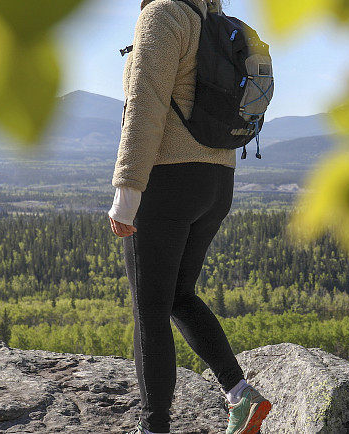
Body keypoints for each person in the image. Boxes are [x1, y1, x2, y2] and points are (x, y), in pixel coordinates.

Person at [108, 0, 272, 433]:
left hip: (168, 182)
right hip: (218, 182)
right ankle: (240, 394)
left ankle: (154, 426)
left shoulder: (163, 15)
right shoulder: (216, 22)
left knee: (150, 311)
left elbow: (146, 103)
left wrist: (127, 191)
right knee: (179, 295)